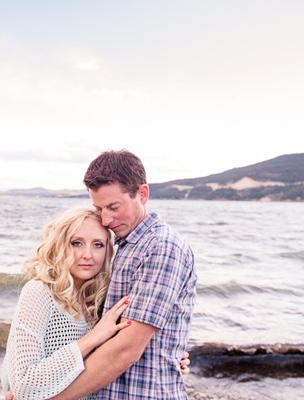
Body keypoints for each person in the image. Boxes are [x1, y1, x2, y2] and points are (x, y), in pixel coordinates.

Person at [49, 149, 198, 399]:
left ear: (142, 194)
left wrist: (50, 398)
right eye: (99, 208)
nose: (105, 220)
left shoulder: (161, 246)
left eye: (113, 207)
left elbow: (126, 349)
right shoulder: (124, 245)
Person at [0, 207, 132, 400]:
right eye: (77, 243)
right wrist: (92, 338)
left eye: (98, 245)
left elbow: (115, 359)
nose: (88, 254)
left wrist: (167, 359)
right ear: (60, 245)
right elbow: (23, 383)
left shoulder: (103, 299)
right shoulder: (39, 292)